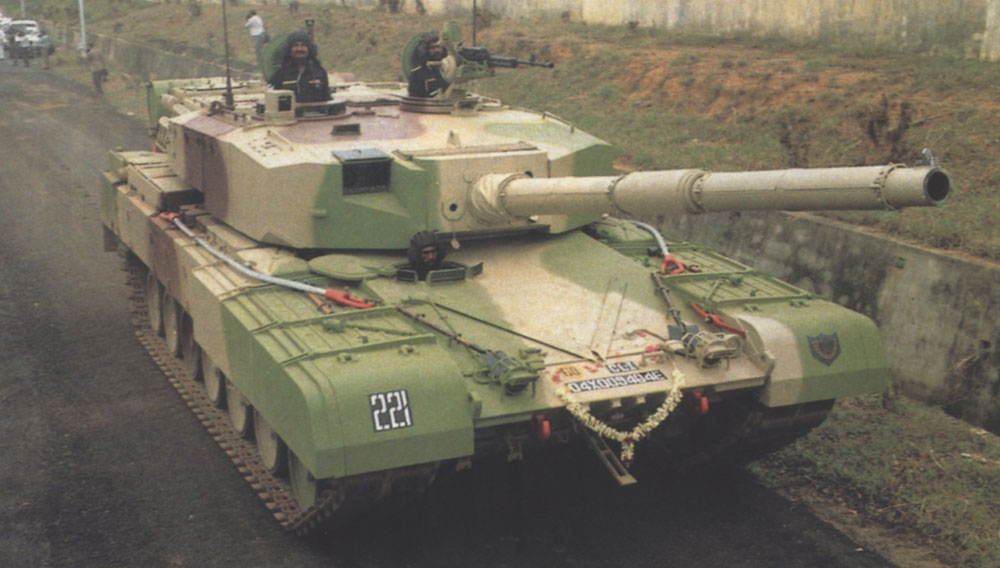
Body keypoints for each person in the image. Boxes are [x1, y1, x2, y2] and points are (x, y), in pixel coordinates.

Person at [267, 31, 330, 103]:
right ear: (289, 49)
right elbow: (270, 102)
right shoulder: (279, 75)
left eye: (303, 45)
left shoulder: (320, 73)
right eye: (295, 45)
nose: (299, 49)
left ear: (309, 48)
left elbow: (327, 99)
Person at [407, 32, 450, 98]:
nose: (436, 50)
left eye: (438, 47)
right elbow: (415, 99)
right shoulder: (417, 74)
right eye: (432, 48)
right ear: (425, 50)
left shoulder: (448, 70)